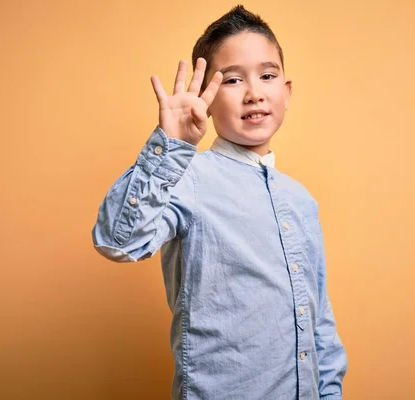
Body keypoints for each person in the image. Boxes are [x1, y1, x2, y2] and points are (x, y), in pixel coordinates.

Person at [92, 5, 347, 399]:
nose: (254, 93)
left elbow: (318, 318)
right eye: (231, 80)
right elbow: (117, 240)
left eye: (267, 75)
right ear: (205, 98)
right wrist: (171, 146)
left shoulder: (301, 200)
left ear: (286, 90)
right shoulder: (187, 178)